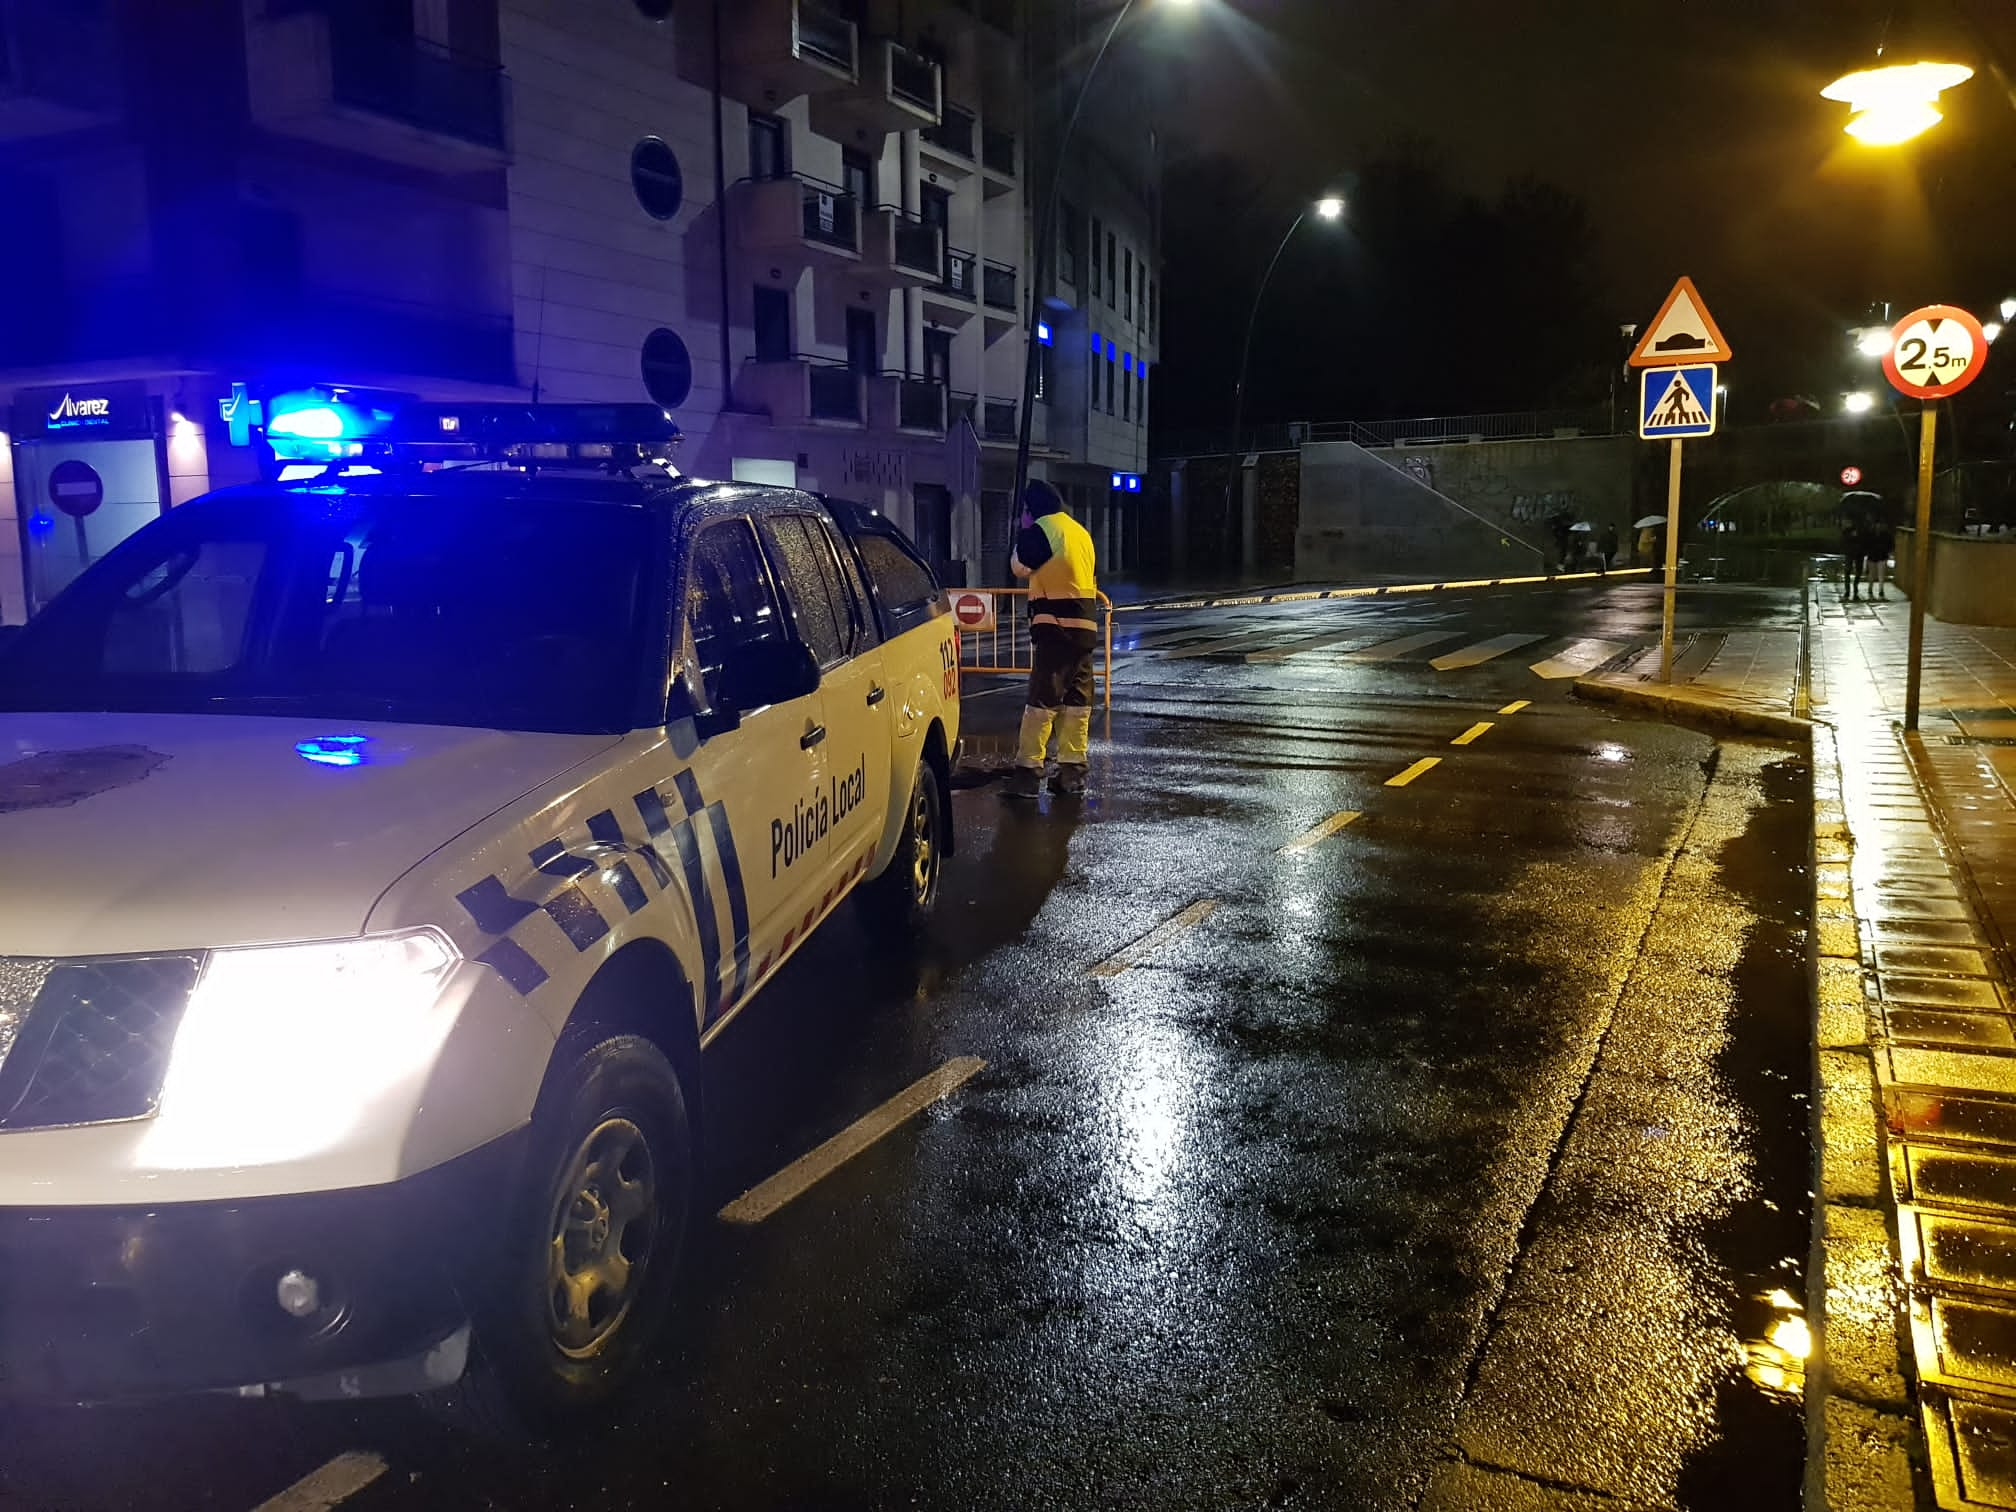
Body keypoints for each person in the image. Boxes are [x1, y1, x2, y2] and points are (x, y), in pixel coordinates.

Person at [1006, 481, 1098, 799]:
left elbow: (1019, 566)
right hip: (1084, 629)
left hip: (1056, 628)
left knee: (1043, 702)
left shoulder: (1044, 529)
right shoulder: (1079, 532)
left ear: (1032, 509)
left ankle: (1028, 774)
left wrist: (1023, 532)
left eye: (1024, 512)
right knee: (1077, 701)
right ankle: (1072, 772)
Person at [1866, 511, 1895, 600]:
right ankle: (1871, 589)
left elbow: (1891, 544)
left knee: (1880, 574)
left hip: (1881, 556)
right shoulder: (1871, 534)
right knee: (1872, 574)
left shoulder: (1885, 534)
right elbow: (1866, 544)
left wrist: (1888, 551)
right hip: (1873, 556)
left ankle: (1880, 590)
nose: (1878, 526)